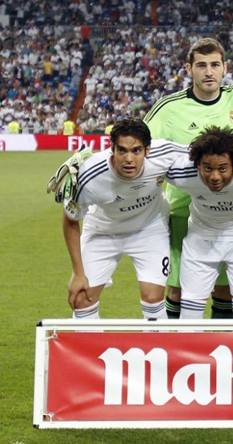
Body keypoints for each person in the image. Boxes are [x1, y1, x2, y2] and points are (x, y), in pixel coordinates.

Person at [61, 118, 188, 319]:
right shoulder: (88, 175)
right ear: (112, 149)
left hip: (149, 228)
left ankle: (157, 349)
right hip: (103, 231)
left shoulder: (164, 152)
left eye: (136, 151)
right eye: (122, 150)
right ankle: (93, 350)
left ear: (148, 150)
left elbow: (203, 151)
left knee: (153, 297)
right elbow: (70, 219)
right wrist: (77, 273)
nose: (129, 159)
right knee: (81, 298)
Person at [165, 126, 233, 319]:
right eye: (207, 168)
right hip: (201, 239)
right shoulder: (181, 172)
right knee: (189, 315)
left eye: (222, 168)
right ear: (197, 164)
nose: (214, 177)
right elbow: (148, 154)